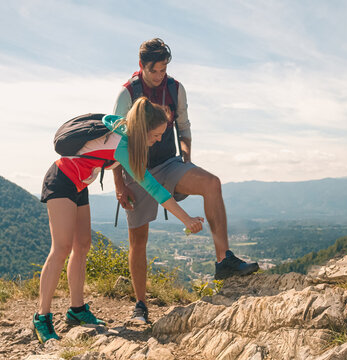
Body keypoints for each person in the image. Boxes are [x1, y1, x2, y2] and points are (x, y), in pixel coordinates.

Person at [33, 98, 204, 343]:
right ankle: (42, 318)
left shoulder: (123, 130)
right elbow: (154, 189)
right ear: (143, 129)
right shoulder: (124, 145)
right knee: (61, 248)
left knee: (82, 245)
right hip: (61, 180)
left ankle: (77, 310)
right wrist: (186, 219)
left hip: (79, 183)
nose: (158, 140)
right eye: (156, 135)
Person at [113, 38, 259, 324]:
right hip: (136, 171)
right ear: (141, 66)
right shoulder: (127, 94)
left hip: (170, 163)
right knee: (138, 240)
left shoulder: (175, 88)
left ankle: (223, 260)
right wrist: (119, 185)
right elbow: (115, 142)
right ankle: (140, 306)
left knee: (212, 183)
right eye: (154, 70)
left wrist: (187, 161)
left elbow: (184, 127)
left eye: (164, 69)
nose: (160, 75)